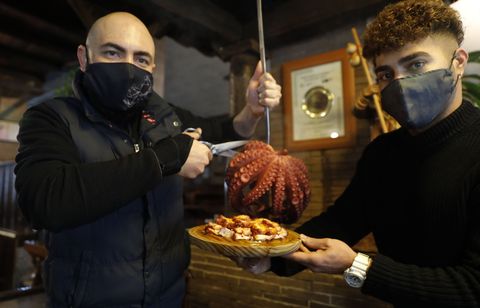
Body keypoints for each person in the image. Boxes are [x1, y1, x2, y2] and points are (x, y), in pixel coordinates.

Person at [14, 12, 281, 307]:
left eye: (141, 59)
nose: (129, 67)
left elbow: (224, 131)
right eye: (113, 52)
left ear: (152, 67)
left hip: (168, 295)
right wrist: (168, 157)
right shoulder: (51, 118)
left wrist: (252, 110)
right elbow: (44, 201)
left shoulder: (167, 116)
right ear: (84, 57)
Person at [239, 1, 480, 307]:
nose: (399, 83)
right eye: (385, 74)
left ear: (458, 61)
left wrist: (357, 265)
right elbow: (343, 221)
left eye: (416, 65)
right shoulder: (382, 154)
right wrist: (274, 257)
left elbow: (473, 287)